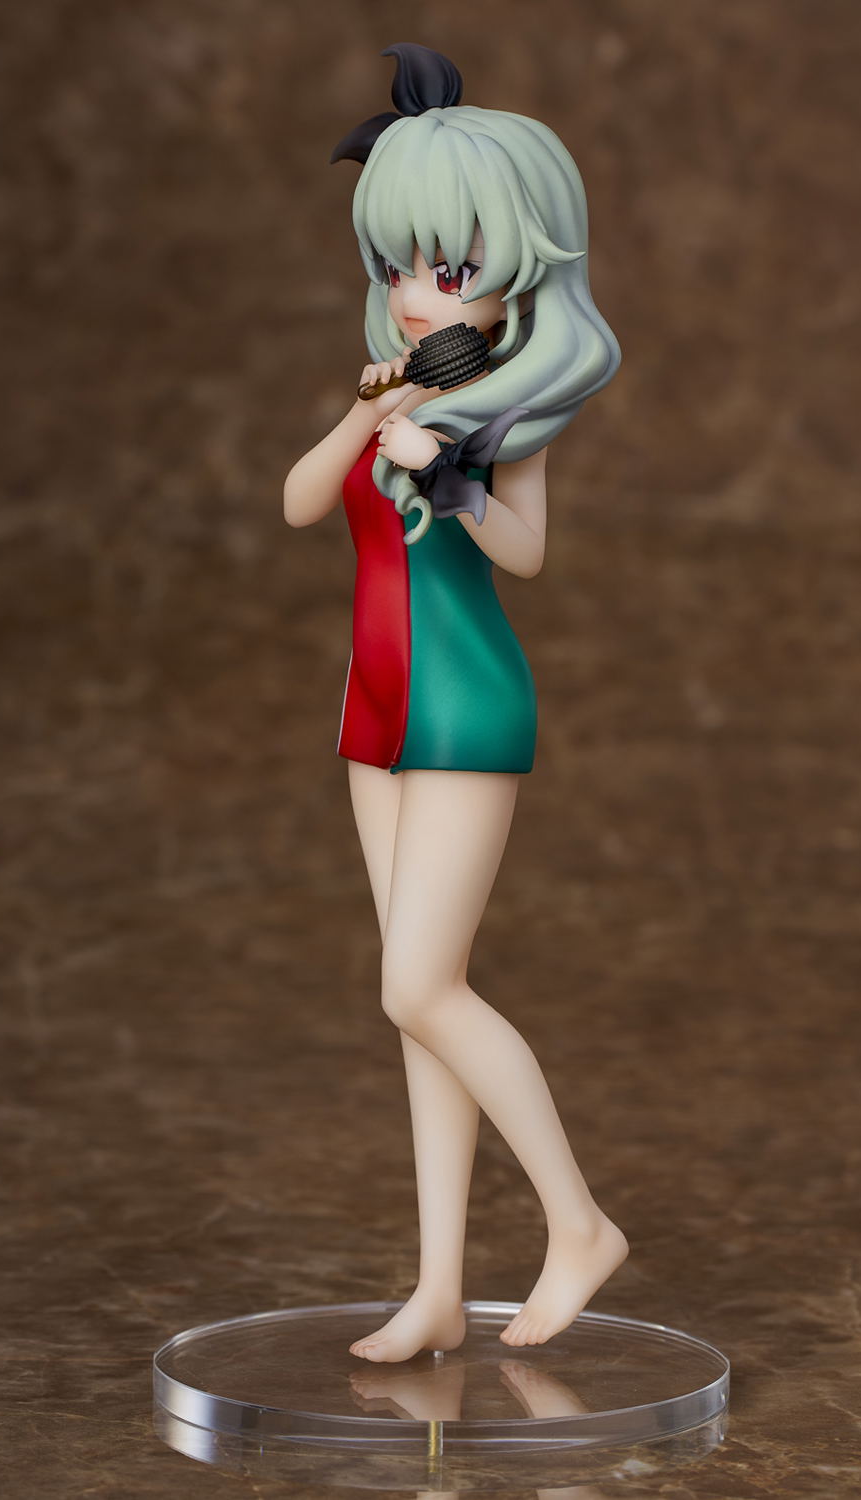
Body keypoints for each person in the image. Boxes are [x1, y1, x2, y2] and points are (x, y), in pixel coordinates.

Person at [283, 42, 625, 1362]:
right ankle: (436, 1287)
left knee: (422, 985)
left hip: (465, 703)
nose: (417, 290)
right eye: (395, 264)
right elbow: (302, 501)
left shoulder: (509, 417)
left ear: (519, 267)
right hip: (373, 702)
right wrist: (375, 411)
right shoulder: (399, 388)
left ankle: (579, 1223)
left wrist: (453, 471)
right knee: (414, 1003)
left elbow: (524, 554)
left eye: (448, 263)